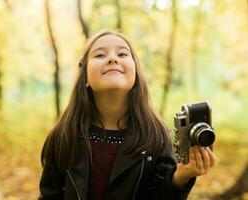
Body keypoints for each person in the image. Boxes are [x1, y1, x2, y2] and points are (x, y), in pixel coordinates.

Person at [38, 30, 216, 200]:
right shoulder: (63, 135)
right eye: (100, 55)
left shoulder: (156, 136)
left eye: (122, 54)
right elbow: (49, 195)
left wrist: (180, 177)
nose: (112, 58)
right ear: (85, 78)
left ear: (136, 74)